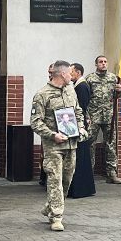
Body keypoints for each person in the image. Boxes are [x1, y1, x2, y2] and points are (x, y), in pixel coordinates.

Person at [32, 60, 86, 231]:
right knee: (55, 179)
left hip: (72, 143)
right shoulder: (42, 94)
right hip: (53, 146)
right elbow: (35, 122)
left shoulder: (71, 90)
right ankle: (56, 217)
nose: (72, 75)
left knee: (66, 180)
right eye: (70, 73)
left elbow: (77, 111)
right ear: (62, 74)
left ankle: (50, 206)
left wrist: (81, 127)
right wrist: (52, 135)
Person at [83, 55, 121, 184]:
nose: (103, 64)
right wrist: (86, 116)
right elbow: (85, 97)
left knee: (111, 144)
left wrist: (119, 91)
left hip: (109, 116)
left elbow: (116, 96)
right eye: (101, 62)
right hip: (93, 116)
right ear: (96, 64)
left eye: (105, 62)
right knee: (90, 144)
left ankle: (111, 173)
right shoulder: (89, 78)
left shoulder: (113, 78)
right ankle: (88, 173)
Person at [68, 63, 97, 199]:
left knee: (81, 157)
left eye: (71, 71)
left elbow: (82, 106)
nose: (70, 74)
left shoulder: (82, 86)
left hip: (80, 126)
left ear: (78, 72)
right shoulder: (77, 85)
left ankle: (82, 188)